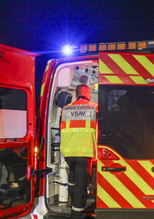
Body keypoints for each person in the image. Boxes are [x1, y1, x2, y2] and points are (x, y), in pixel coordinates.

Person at [60, 85, 97, 219]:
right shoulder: (94, 107)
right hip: (84, 151)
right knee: (82, 184)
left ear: (76, 95)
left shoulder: (66, 108)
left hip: (68, 151)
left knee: (73, 176)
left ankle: (70, 198)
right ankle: (77, 214)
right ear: (88, 94)